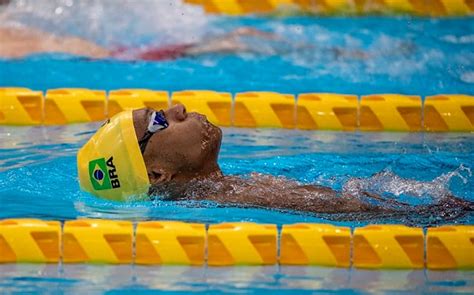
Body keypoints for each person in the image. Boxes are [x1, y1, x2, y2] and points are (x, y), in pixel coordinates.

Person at [77, 105, 473, 220]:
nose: (177, 107)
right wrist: (438, 211)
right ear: (157, 174)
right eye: (159, 121)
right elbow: (357, 211)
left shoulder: (222, 190)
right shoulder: (234, 196)